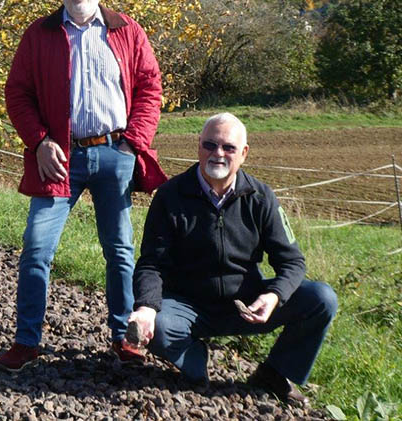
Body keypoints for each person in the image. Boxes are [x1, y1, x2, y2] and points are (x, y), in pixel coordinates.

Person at [0, 0, 167, 372]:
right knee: (37, 248)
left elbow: (150, 88)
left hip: (116, 154)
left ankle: (123, 336)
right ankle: (27, 342)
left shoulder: (127, 29)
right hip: (59, 160)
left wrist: (135, 141)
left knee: (121, 250)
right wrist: (39, 142)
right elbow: (17, 94)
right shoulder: (39, 34)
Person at [128, 112, 337, 407]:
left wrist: (274, 296)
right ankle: (196, 361)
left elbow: (292, 262)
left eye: (228, 148)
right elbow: (151, 263)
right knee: (160, 325)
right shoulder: (170, 196)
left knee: (321, 299)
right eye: (210, 145)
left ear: (245, 153)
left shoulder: (261, 197)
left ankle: (276, 372)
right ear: (198, 146)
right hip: (188, 306)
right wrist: (147, 307)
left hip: (245, 303)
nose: (218, 154)